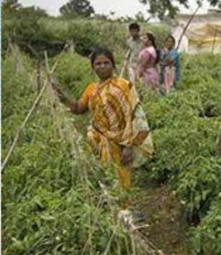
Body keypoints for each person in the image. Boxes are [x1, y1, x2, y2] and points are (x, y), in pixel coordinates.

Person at [55, 48, 152, 224]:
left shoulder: (124, 86)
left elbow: (134, 115)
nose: (102, 66)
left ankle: (125, 213)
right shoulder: (92, 90)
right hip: (102, 142)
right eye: (98, 64)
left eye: (106, 63)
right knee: (108, 175)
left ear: (113, 65)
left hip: (123, 141)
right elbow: (79, 109)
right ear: (93, 67)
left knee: (123, 177)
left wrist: (129, 145)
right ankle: (115, 213)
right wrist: (62, 96)